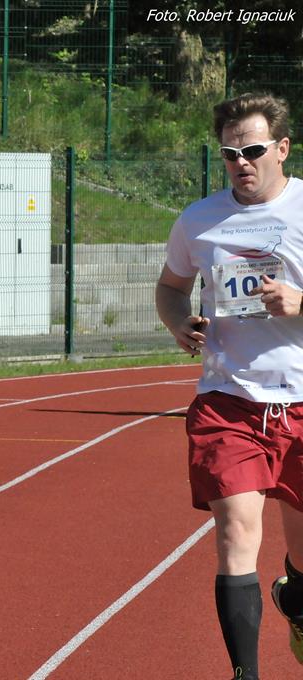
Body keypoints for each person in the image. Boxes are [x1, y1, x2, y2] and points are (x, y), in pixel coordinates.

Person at [155, 92, 303, 680]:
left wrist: (300, 302)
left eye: (253, 150)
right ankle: (246, 674)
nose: (241, 162)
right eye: (229, 153)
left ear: (282, 148)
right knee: (235, 530)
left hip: (301, 401)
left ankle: (297, 597)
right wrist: (177, 321)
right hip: (229, 399)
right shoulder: (199, 220)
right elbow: (171, 287)